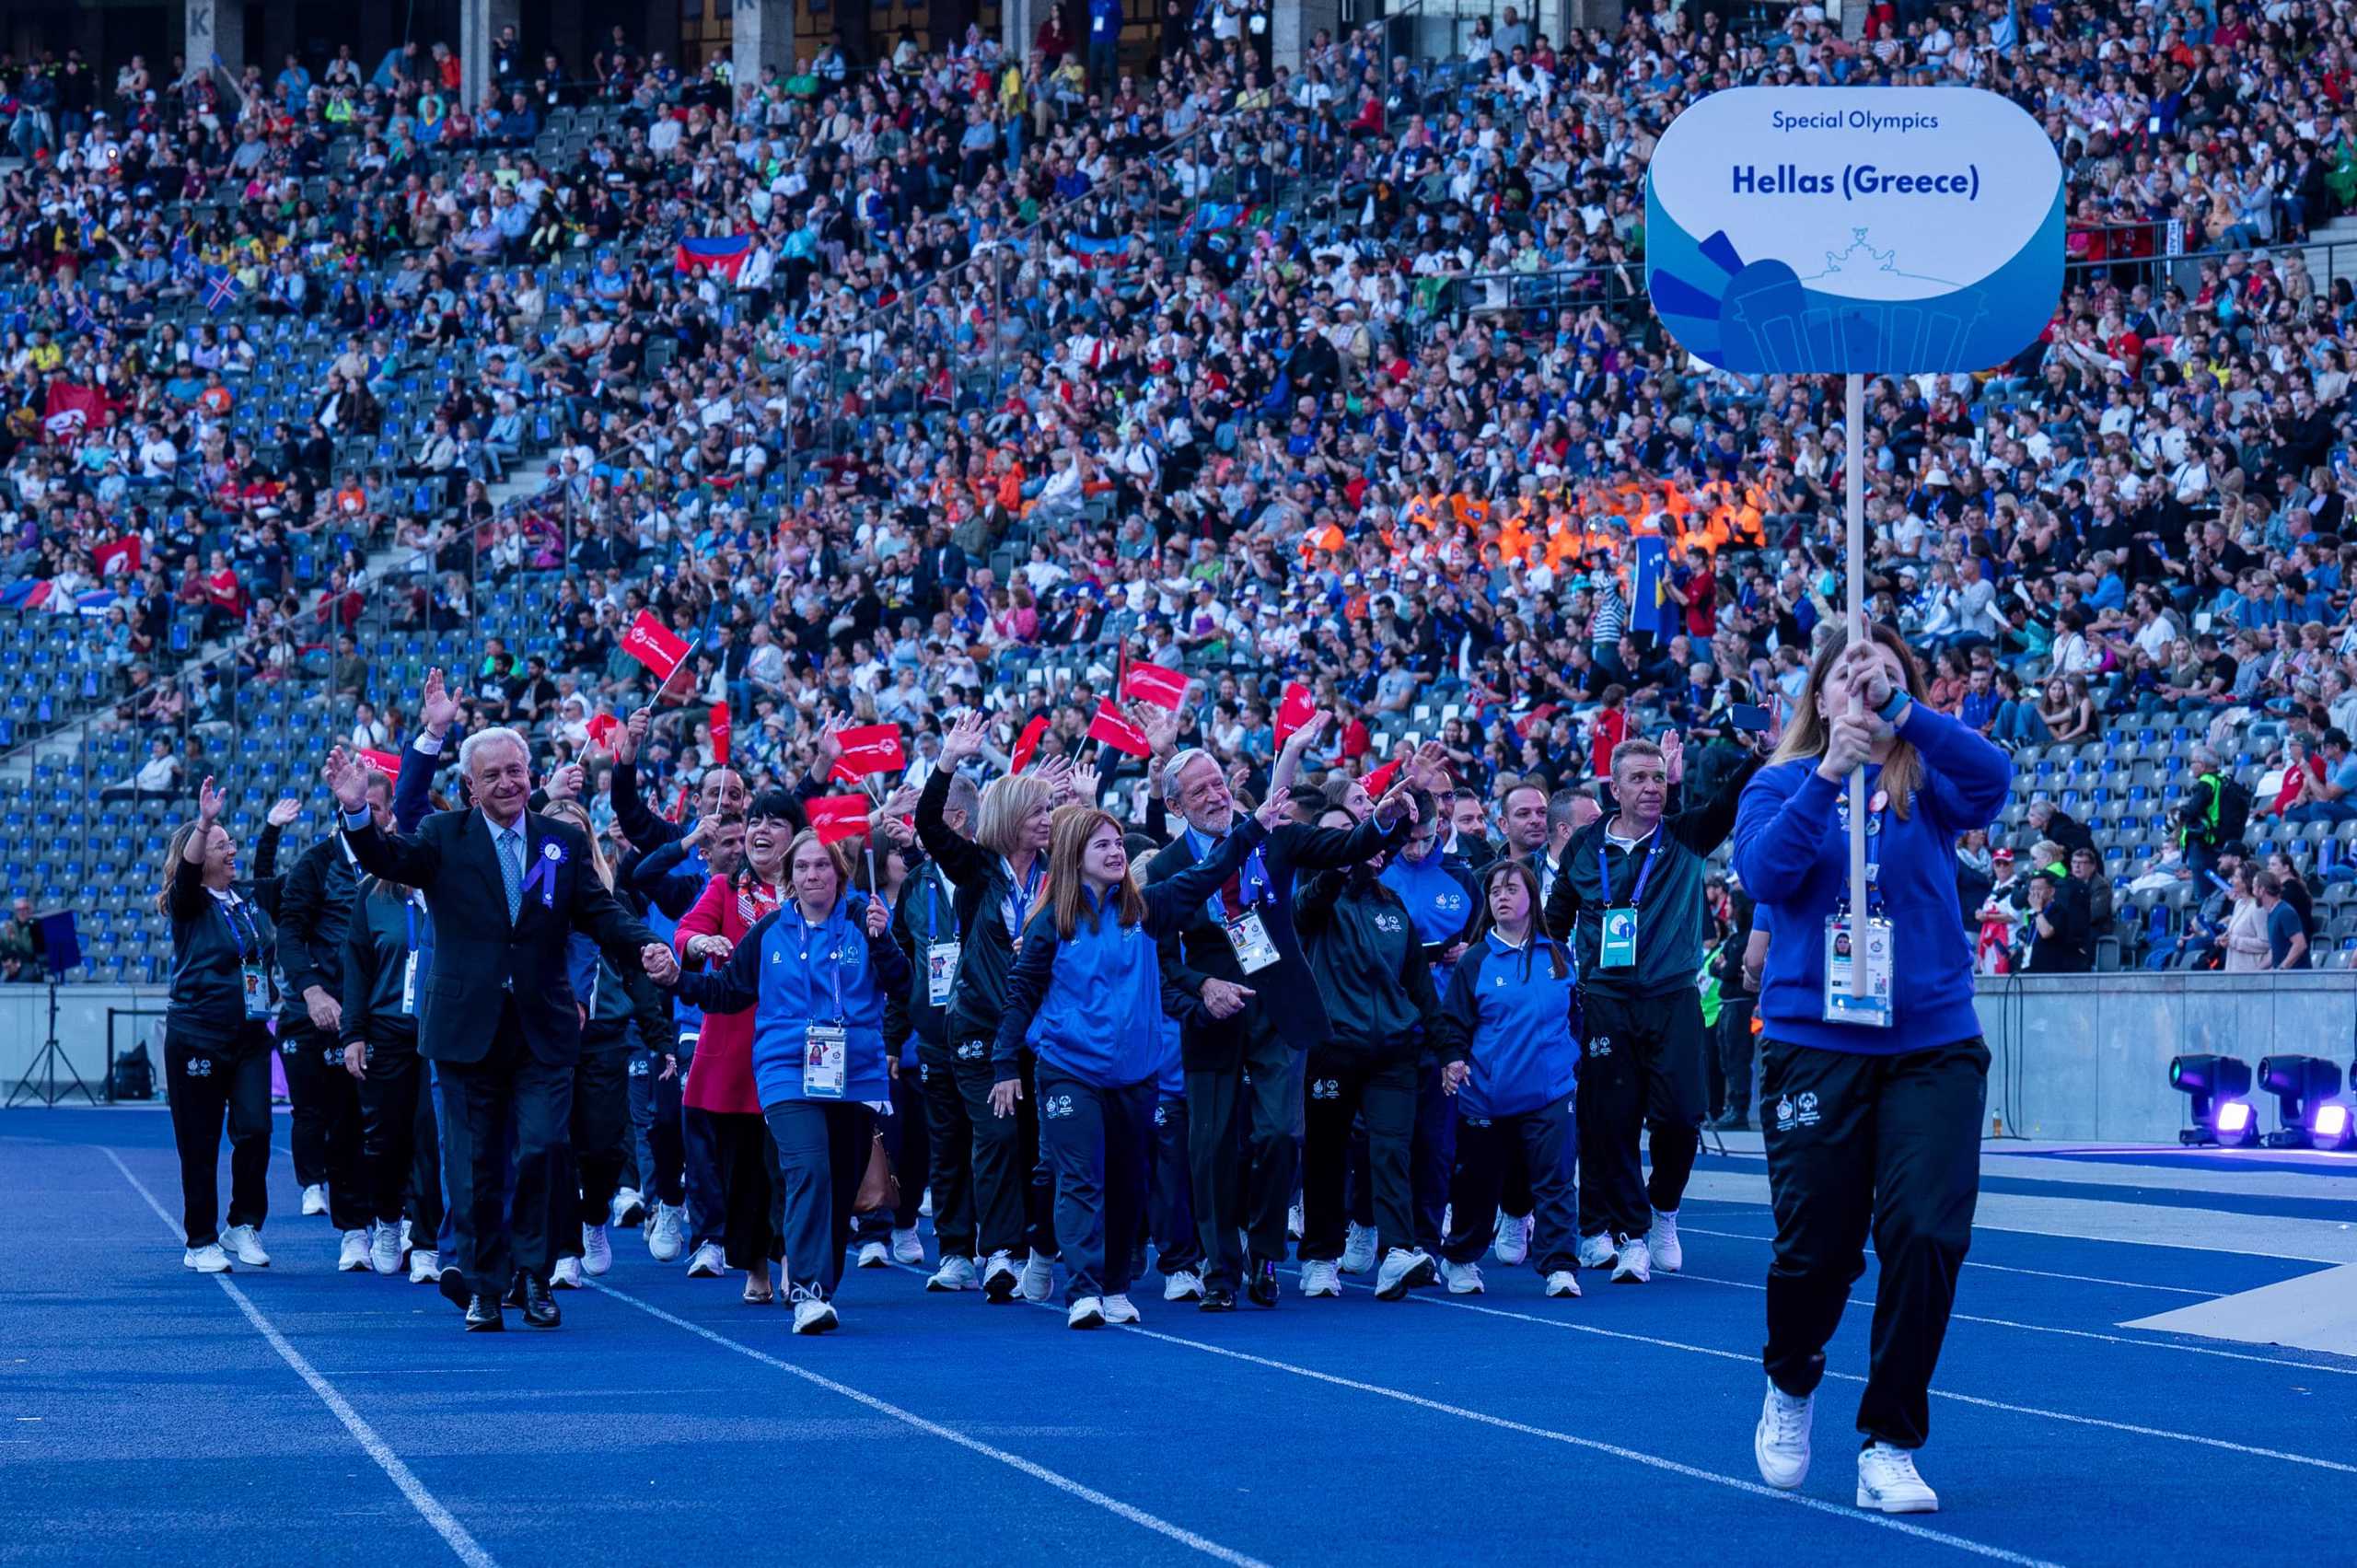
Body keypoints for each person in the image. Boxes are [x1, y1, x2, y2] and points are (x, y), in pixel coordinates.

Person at [1732, 623, 2012, 1516]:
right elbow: (1764, 873)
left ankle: (1889, 1437)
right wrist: (1824, 774)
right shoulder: (1778, 783)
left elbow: (1993, 783)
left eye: (1888, 679)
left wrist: (1901, 713)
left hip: (1931, 1041)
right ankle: (1790, 1375)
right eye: (1852, 681)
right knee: (1816, 1250)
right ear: (1817, 699)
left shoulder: (1924, 782)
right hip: (1818, 1045)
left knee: (1926, 1236)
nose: (1871, 694)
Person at [325, 734, 664, 1333]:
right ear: (471, 786)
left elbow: (599, 911)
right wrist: (356, 809)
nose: (508, 782)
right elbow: (385, 859)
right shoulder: (442, 837)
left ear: (531, 774)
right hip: (464, 1028)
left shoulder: (562, 840)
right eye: (493, 775)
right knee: (474, 1162)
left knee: (540, 1150)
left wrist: (648, 945)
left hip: (541, 1028)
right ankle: (484, 1285)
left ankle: (533, 1276)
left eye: (516, 770)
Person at [1144, 729, 1426, 1309]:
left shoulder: (1271, 832)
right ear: (1175, 806)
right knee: (1212, 1147)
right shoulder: (1166, 865)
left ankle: (1264, 1251)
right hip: (1213, 1015)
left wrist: (1386, 820)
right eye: (1199, 792)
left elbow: (1343, 851)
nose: (1216, 796)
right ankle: (1220, 1273)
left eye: (1219, 783)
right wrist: (1202, 987)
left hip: (1279, 1006)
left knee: (1281, 1134)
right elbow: (1162, 959)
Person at [993, 798, 1278, 1327]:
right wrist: (1005, 1063)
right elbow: (1021, 993)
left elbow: (1211, 870)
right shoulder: (1051, 924)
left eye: (1118, 843)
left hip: (1136, 1074)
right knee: (1081, 1178)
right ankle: (1081, 1290)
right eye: (1102, 844)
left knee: (1127, 1183)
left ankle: (1115, 1285)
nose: (1115, 852)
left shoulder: (1147, 910)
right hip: (1069, 1071)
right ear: (1075, 856)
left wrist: (1254, 825)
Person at [656, 830, 911, 1334]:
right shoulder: (771, 930)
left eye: (820, 866)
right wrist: (674, 980)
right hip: (784, 1070)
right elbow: (726, 993)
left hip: (852, 1074)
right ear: (789, 878)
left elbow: (904, 986)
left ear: (838, 873)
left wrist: (884, 943)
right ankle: (809, 1290)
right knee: (807, 1167)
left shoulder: (866, 920)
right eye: (801, 868)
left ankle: (822, 1282)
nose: (811, 875)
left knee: (838, 1184)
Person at [1544, 728, 1763, 1283]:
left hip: (1673, 997)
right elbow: (1558, 914)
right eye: (1637, 779)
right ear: (1615, 789)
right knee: (1611, 1122)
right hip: (1607, 1001)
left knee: (1682, 1116)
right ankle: (1632, 1234)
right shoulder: (1585, 845)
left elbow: (1729, 801)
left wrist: (1758, 753)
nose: (1651, 788)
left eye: (1656, 777)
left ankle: (1664, 1208)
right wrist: (1560, 975)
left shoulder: (1685, 835)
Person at [915, 711, 1068, 1303]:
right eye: (1037, 813)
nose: (1047, 821)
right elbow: (929, 824)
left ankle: (1039, 1246)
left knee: (1039, 1142)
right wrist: (948, 760)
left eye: (1048, 812)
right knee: (999, 1135)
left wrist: (1081, 798)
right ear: (1009, 821)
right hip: (979, 1023)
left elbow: (1102, 844)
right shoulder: (978, 871)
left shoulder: (1061, 873)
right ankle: (1000, 1251)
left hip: (1044, 1027)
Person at [1293, 806, 1442, 1302]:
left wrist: (1449, 1049)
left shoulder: (1393, 907)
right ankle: (1319, 1256)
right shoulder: (1314, 899)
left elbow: (1420, 986)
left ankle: (1398, 1251)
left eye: (1367, 839)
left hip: (1394, 1050)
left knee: (1391, 1149)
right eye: (1345, 836)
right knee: (1326, 1155)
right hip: (1333, 1048)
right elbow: (1310, 906)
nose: (1366, 848)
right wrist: (1341, 860)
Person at [1433, 857, 1584, 1298]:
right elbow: (1455, 1021)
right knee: (1477, 1184)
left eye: (1511, 889)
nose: (1502, 896)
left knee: (1556, 1180)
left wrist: (1569, 1061)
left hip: (1552, 1091)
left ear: (1531, 899)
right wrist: (1454, 1060)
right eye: (1495, 890)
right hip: (1488, 1096)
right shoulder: (1476, 959)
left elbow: (1575, 1015)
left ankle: (1559, 1266)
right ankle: (1461, 1258)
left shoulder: (1557, 953)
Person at [543, 797, 676, 1290]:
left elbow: (638, 976)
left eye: (574, 833)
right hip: (545, 1039)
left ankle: (594, 1213)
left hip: (602, 1037)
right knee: (552, 1144)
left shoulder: (609, 901)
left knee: (600, 1146)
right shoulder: (529, 898)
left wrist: (659, 1039)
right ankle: (563, 1249)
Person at [158, 777, 284, 1273]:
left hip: (251, 1035)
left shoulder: (247, 900)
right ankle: (200, 1239)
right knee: (201, 1139)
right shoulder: (188, 903)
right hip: (198, 1035)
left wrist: (272, 830)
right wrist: (204, 820)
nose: (231, 850)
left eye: (231, 842)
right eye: (220, 844)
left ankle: (243, 1224)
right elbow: (188, 877)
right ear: (199, 854)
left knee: (256, 1129)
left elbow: (276, 878)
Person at [669, 799, 789, 1297]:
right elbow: (686, 932)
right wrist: (700, 947)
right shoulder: (723, 888)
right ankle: (755, 1265)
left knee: (790, 1163)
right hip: (737, 1053)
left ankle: (792, 1263)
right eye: (754, 821)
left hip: (796, 1050)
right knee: (742, 1169)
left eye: (774, 822)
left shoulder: (813, 889)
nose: (760, 830)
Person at [270, 764, 386, 1253]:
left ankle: (398, 1224)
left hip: (392, 1014)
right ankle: (354, 1230)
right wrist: (313, 991)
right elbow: (289, 934)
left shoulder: (398, 862)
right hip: (334, 1013)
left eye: (377, 807)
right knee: (341, 1123)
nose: (370, 814)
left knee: (398, 1127)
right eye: (361, 806)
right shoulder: (315, 864)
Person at [884, 777, 982, 1291]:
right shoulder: (917, 886)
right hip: (932, 1036)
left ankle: (1005, 1245)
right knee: (945, 1144)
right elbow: (903, 963)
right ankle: (956, 1250)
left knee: (992, 1142)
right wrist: (892, 1039)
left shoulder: (987, 875)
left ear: (958, 820)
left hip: (988, 1033)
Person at [338, 867, 444, 1283]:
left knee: (430, 1135)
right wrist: (353, 1033)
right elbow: (357, 966)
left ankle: (425, 1240)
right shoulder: (373, 892)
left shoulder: (451, 884)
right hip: (386, 1030)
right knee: (385, 1139)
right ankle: (386, 1218)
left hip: (439, 1030)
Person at [2258, 871, 2311, 970]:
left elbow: (2300, 944)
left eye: (2253, 887)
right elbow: (2276, 952)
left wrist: (2282, 969)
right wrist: (2256, 971)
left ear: (2261, 890)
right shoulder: (2272, 913)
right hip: (2283, 979)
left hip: (2297, 979)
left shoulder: (2285, 912)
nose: (2252, 892)